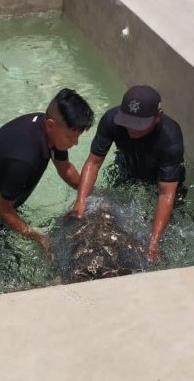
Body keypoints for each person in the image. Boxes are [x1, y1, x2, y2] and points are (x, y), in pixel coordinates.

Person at [0, 88, 95, 256]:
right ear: (50, 125)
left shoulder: (49, 130)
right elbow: (3, 209)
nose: (75, 143)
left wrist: (87, 194)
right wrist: (38, 238)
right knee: (3, 257)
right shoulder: (25, 158)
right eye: (71, 137)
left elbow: (65, 167)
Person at [69, 85, 185, 263]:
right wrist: (80, 202)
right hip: (128, 165)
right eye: (128, 122)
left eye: (139, 125)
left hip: (161, 175)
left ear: (157, 117)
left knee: (172, 225)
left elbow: (166, 193)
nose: (132, 129)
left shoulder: (170, 137)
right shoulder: (111, 120)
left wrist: (153, 243)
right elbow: (93, 162)